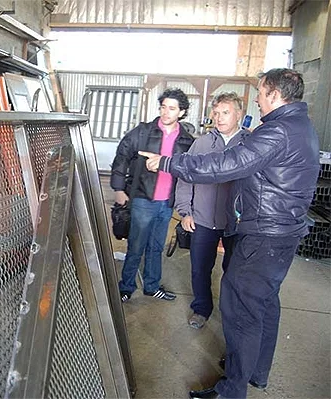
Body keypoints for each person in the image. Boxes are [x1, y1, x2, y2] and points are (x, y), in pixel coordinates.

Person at [139, 68, 320, 398]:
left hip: (265, 233)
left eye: (262, 93)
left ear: (275, 95)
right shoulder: (301, 126)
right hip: (283, 230)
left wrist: (166, 163)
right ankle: (255, 371)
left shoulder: (276, 131)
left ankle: (232, 389)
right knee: (264, 303)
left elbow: (224, 165)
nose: (259, 101)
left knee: (241, 308)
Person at [111, 88, 194, 303]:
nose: (166, 112)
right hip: (143, 199)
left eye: (172, 108)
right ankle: (126, 287)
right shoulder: (143, 133)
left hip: (167, 203)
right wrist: (119, 189)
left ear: (182, 112)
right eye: (163, 107)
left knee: (156, 247)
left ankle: (151, 286)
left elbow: (191, 171)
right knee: (136, 246)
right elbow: (121, 156)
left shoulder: (186, 140)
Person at [175, 92, 250, 329]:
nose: (218, 118)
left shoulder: (251, 144)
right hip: (203, 219)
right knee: (200, 268)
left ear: (240, 114)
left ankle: (231, 316)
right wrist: (185, 211)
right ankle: (201, 309)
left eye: (225, 112)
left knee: (234, 273)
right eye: (215, 113)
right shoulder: (202, 143)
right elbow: (186, 177)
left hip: (237, 223)